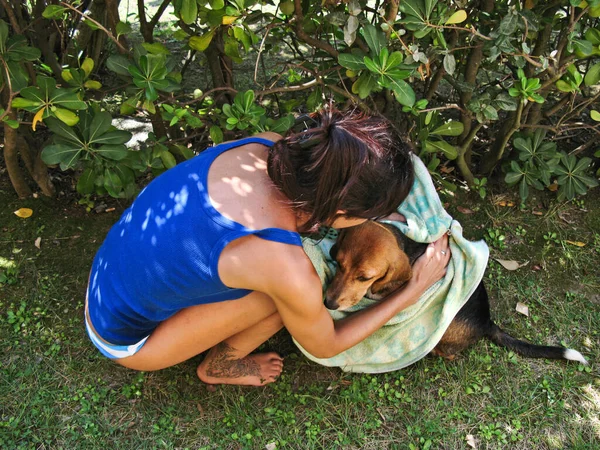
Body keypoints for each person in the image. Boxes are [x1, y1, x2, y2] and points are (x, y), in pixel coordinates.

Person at [84, 109, 451, 386]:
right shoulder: (281, 263)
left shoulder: (265, 146)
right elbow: (327, 344)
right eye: (370, 215)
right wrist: (414, 288)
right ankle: (220, 367)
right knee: (282, 300)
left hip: (104, 285)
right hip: (127, 340)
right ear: (341, 212)